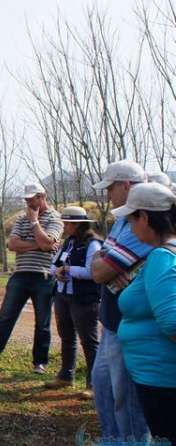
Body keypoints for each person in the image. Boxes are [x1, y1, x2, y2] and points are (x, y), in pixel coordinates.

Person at [0, 183, 63, 373]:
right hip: (20, 274)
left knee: (42, 321)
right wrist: (39, 243)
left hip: (43, 275)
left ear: (42, 196)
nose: (29, 203)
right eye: (27, 199)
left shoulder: (55, 218)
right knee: (5, 316)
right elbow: (13, 244)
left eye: (32, 199)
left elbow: (47, 243)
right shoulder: (22, 219)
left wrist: (35, 223)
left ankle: (40, 361)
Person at [90, 160, 151, 443]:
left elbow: (101, 269)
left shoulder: (145, 221)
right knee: (103, 386)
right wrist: (107, 263)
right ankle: (112, 438)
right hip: (111, 321)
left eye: (110, 188)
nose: (107, 195)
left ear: (126, 185)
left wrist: (105, 263)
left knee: (125, 397)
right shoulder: (122, 221)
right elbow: (100, 263)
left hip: (128, 323)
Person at [111, 183, 176, 444]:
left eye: (130, 220)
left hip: (162, 382)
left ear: (145, 217)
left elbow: (172, 324)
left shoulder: (162, 257)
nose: (130, 227)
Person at [44, 206, 101, 400]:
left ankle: (94, 384)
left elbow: (92, 272)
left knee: (89, 341)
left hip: (84, 298)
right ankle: (66, 375)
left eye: (68, 223)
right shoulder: (67, 243)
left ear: (77, 224)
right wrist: (58, 272)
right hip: (63, 296)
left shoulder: (92, 245)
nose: (65, 226)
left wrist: (68, 270)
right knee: (66, 337)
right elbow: (53, 265)